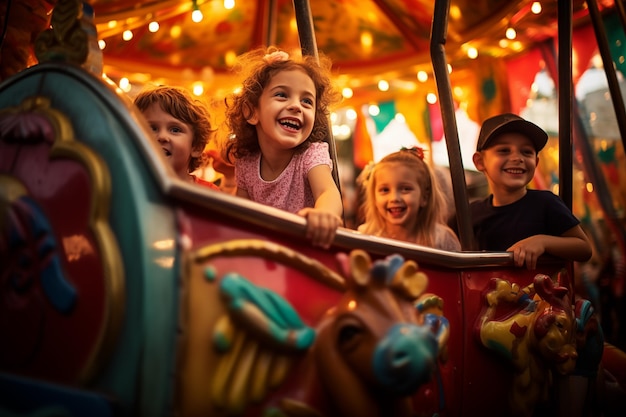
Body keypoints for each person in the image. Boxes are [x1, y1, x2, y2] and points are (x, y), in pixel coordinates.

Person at [224, 46, 343, 249]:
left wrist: (325, 214)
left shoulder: (310, 155)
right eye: (282, 95)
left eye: (307, 101)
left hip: (306, 250)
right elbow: (240, 215)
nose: (296, 106)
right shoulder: (246, 164)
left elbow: (328, 192)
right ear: (252, 112)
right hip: (266, 253)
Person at [460, 113, 592, 269]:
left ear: (535, 162)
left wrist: (542, 241)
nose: (517, 158)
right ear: (480, 162)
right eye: (504, 150)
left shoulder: (546, 203)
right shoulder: (470, 215)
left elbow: (584, 248)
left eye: (526, 152)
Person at [357, 147, 461, 251]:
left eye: (405, 189)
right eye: (385, 190)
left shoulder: (442, 240)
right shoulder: (365, 236)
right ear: (374, 197)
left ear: (424, 197)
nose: (394, 198)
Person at [134, 85, 219, 190]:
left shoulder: (208, 194)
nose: (162, 137)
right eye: (152, 128)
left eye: (175, 130)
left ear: (196, 147)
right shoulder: (128, 186)